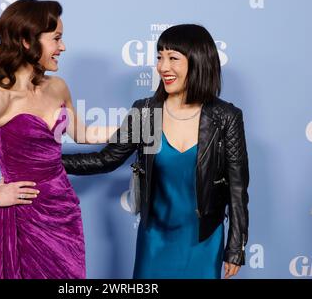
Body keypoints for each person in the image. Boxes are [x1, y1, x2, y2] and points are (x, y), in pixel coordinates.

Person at [0, 0, 116, 279]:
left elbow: (84, 133)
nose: (62, 47)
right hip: (25, 216)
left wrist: (145, 126)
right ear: (27, 41)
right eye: (56, 39)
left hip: (63, 210)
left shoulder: (57, 86)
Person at [62, 24, 249, 279]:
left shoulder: (226, 117)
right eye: (160, 57)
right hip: (155, 239)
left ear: (198, 61)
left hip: (203, 240)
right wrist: (45, 160)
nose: (162, 67)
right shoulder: (147, 112)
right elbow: (106, 160)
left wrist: (235, 248)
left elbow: (237, 189)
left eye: (173, 58)